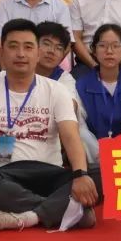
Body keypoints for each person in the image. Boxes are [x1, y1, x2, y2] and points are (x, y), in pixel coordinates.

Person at [0, 19, 100, 232]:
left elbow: (71, 136)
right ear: (1, 53)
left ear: (37, 53)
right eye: (13, 46)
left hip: (50, 172)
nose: (21, 54)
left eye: (28, 47)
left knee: (105, 176)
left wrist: (80, 175)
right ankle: (66, 210)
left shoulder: (56, 90)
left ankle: (27, 217)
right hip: (5, 173)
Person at [32, 21, 93, 163]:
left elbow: (70, 107)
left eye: (58, 48)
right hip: (24, 132)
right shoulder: (17, 74)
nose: (51, 51)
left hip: (60, 129)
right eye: (46, 44)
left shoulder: (65, 79)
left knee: (81, 138)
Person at [75, 24, 121, 142]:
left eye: (115, 46)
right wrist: (98, 149)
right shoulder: (81, 86)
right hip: (92, 149)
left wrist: (116, 147)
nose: (109, 51)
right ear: (94, 51)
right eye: (102, 46)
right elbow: (81, 128)